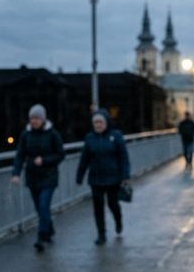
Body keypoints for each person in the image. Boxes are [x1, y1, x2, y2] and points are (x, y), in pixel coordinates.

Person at [11, 104, 65, 252]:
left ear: (43, 119)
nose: (34, 121)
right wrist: (16, 173)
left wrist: (45, 160)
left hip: (49, 176)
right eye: (32, 118)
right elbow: (20, 155)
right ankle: (50, 229)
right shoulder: (26, 135)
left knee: (43, 205)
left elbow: (60, 154)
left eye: (37, 118)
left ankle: (41, 237)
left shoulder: (53, 134)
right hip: (32, 176)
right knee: (41, 209)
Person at [76, 109, 130, 245]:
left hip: (113, 177)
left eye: (100, 122)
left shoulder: (116, 136)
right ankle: (101, 234)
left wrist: (125, 176)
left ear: (106, 123)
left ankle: (118, 220)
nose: (98, 125)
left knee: (112, 203)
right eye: (95, 123)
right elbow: (84, 159)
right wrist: (79, 177)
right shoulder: (90, 138)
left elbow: (123, 157)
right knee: (98, 206)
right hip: (96, 178)